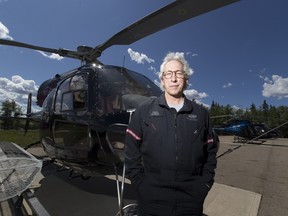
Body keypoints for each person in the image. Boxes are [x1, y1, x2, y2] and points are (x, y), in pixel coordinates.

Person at [124, 52, 217, 216]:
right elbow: (130, 152)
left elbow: (210, 152)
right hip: (151, 197)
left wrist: (204, 185)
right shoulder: (143, 112)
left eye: (178, 73)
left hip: (191, 199)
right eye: (169, 74)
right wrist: (140, 184)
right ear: (162, 80)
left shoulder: (201, 114)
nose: (173, 78)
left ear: (186, 79)